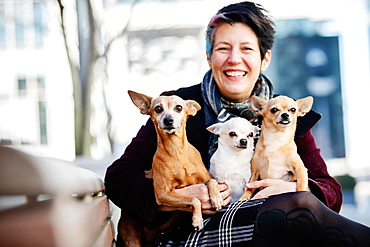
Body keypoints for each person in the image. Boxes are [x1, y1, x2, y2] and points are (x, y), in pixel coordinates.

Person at [105, 1, 370, 246]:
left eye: (246, 49)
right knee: (295, 211)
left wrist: (294, 188)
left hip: (269, 221)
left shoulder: (282, 112)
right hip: (188, 232)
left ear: (264, 59)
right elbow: (118, 178)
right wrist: (180, 200)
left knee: (296, 205)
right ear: (209, 58)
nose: (234, 59)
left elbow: (331, 189)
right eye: (223, 48)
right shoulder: (176, 107)